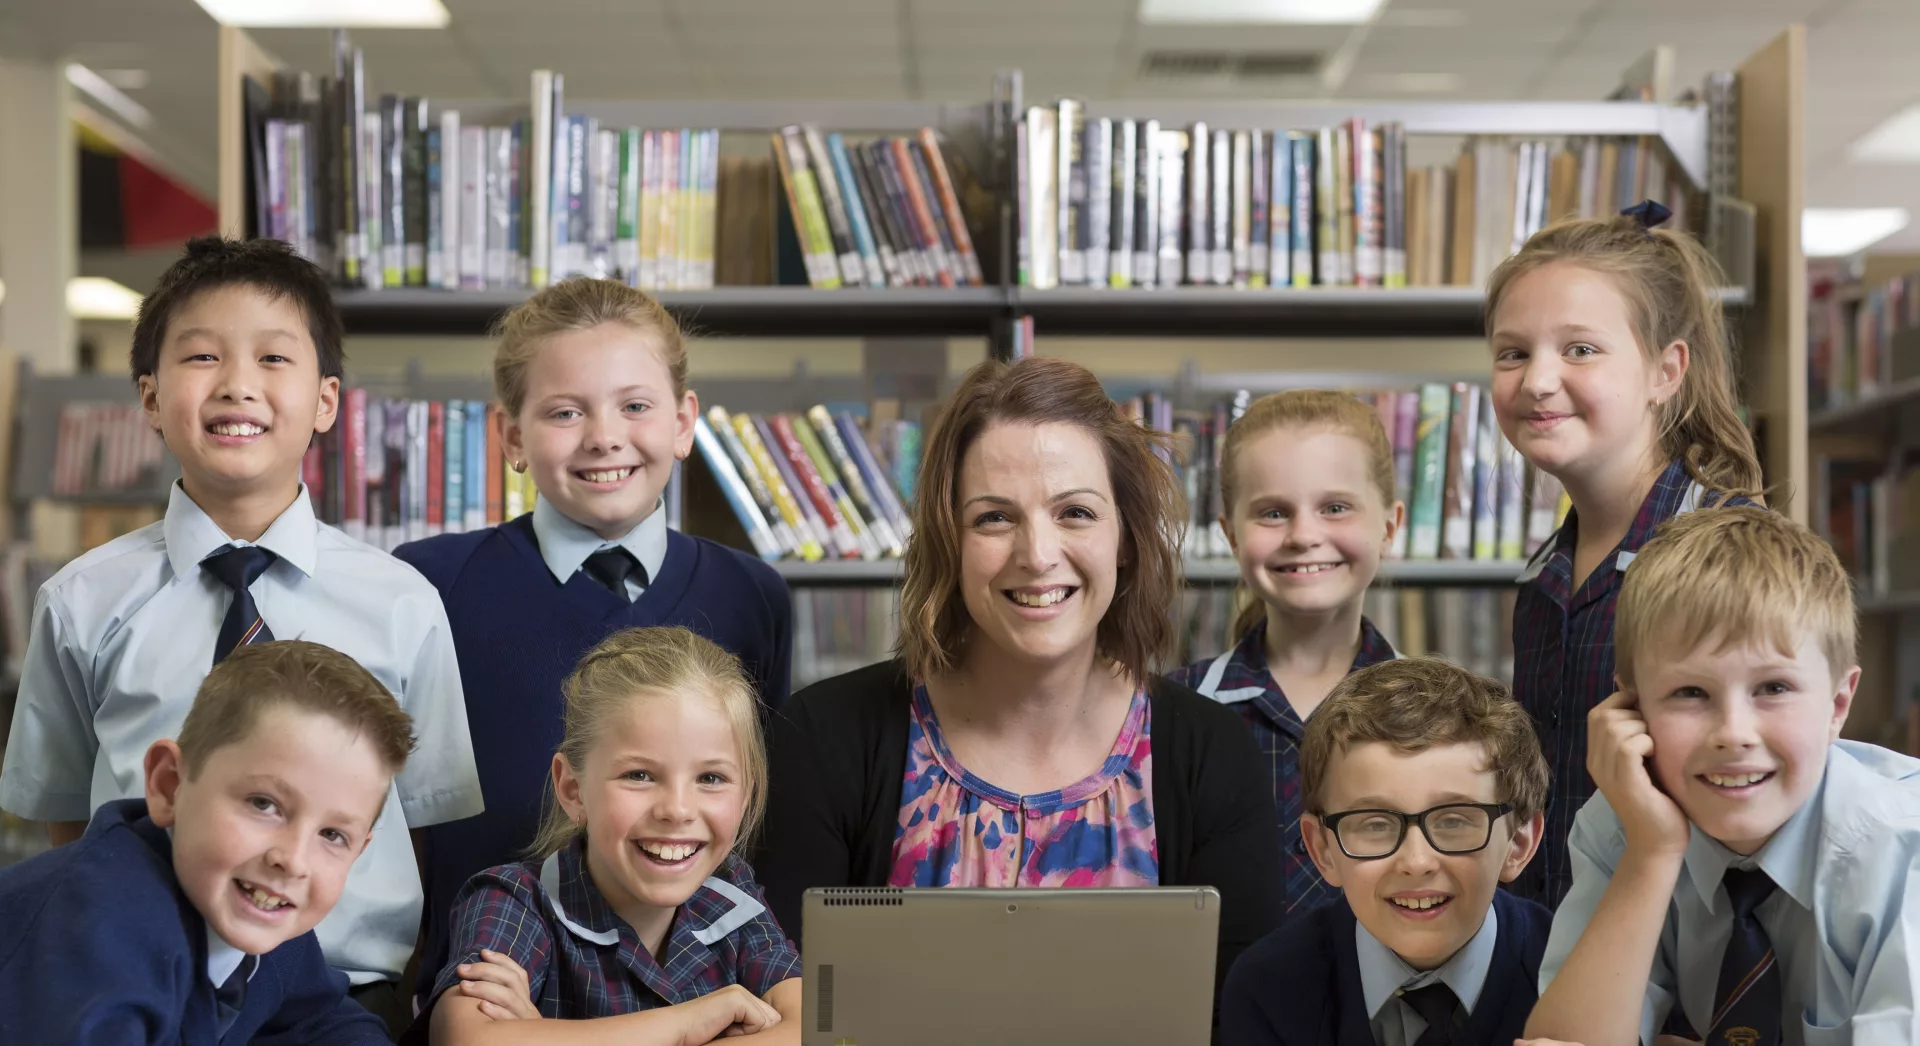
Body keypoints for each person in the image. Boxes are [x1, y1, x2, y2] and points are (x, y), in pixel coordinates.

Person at [0, 236, 482, 1029]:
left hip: (351, 992)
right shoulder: (81, 600)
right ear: (149, 399)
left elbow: (419, 823)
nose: (236, 386)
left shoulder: (403, 602)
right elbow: (68, 825)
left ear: (327, 402)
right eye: (200, 359)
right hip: (139, 978)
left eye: (272, 359)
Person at [757, 355, 1282, 1001]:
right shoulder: (822, 737)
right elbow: (783, 1007)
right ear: (949, 540)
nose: (1037, 555)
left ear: (1125, 537)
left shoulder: (1213, 755)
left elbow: (1240, 1019)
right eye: (994, 518)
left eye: (1076, 513)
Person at [397, 277, 792, 996]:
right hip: (495, 993)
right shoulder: (427, 586)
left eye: (635, 406)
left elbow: (749, 820)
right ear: (511, 436)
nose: (604, 436)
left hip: (696, 993)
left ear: (682, 422)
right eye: (565, 411)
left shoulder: (753, 596)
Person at [1524, 507, 1920, 1046]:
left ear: (1838, 703)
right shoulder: (1626, 826)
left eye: (1773, 688)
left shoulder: (1903, 849)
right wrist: (1652, 853)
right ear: (1632, 708)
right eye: (1690, 693)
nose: (1734, 734)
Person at [1488, 201, 1764, 905]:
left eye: (1580, 349)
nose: (1538, 380)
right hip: (1563, 954)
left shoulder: (1724, 554)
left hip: (1686, 970)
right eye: (1513, 353)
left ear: (1665, 371)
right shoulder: (1545, 571)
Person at [0, 641, 414, 1045]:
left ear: (360, 850)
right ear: (169, 785)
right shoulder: (95, 956)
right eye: (264, 804)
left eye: (332, 835)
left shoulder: (259, 906)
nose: (293, 859)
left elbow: (322, 1018)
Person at [423, 626, 800, 1045]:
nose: (677, 810)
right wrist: (692, 1022)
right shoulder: (513, 900)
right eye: (639, 775)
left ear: (745, 795)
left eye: (710, 778)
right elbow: (467, 1039)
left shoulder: (734, 894)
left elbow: (826, 1030)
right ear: (572, 789)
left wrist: (540, 1036)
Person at [1220, 657, 1551, 1046]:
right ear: (1323, 849)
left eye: (1454, 821)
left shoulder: (1581, 977)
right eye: (1375, 825)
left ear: (1519, 842)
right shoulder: (1268, 989)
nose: (1416, 862)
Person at [1167, 389, 1402, 915]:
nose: (1303, 535)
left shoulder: (1442, 714)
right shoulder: (1174, 712)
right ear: (1230, 534)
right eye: (1272, 513)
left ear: (1389, 526)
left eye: (1335, 507)